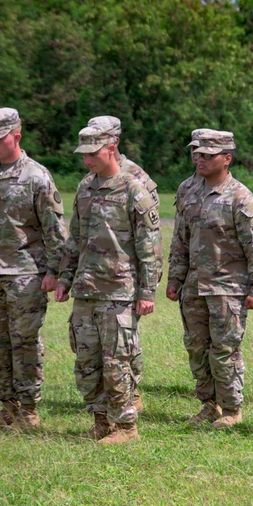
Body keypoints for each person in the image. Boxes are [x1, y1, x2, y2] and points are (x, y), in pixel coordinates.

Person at [55, 122, 162, 444]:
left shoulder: (133, 189)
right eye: (83, 154)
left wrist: (147, 292)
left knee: (117, 363)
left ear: (111, 149)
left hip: (120, 291)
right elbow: (75, 239)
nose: (87, 160)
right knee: (86, 362)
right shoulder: (84, 188)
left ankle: (126, 427)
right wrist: (64, 278)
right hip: (86, 290)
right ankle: (101, 421)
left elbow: (149, 246)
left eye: (93, 153)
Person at [166, 130, 253, 429]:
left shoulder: (240, 197)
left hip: (228, 288)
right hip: (194, 286)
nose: (200, 158)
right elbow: (180, 239)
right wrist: (175, 279)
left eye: (208, 155)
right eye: (196, 153)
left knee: (224, 350)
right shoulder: (187, 189)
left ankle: (232, 409)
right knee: (197, 348)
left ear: (227, 159)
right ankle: (208, 405)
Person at [0, 107, 67, 431]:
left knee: (24, 342)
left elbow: (54, 230)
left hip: (27, 274)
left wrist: (54, 271)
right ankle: (7, 407)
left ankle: (28, 410)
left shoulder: (36, 177)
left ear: (17, 136)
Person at [84, 116, 161, 413]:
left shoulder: (136, 179)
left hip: (124, 279)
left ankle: (132, 391)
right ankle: (112, 400)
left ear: (113, 140)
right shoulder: (88, 182)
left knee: (123, 341)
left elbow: (149, 238)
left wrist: (148, 287)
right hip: (94, 279)